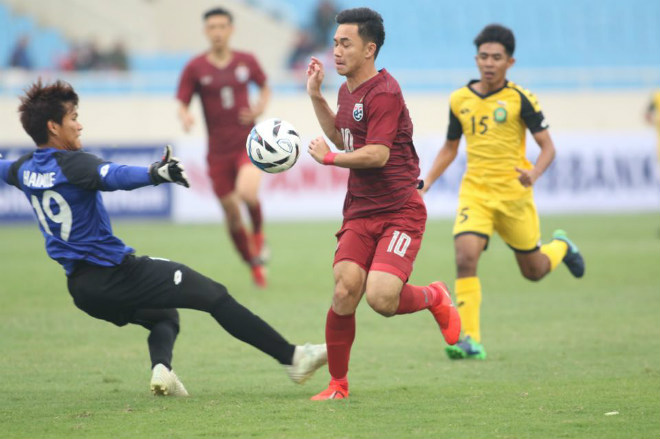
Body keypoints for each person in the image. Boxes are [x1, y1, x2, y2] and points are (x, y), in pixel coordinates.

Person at [0, 79, 327, 397]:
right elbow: (114, 176)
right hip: (115, 273)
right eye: (73, 118)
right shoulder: (74, 164)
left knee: (164, 316)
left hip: (82, 290)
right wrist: (154, 173)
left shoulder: (23, 168)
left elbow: (5, 167)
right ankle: (293, 358)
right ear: (53, 127)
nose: (79, 125)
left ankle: (162, 371)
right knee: (214, 296)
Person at [305, 7, 461, 400]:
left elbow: (377, 155)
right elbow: (343, 138)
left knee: (381, 298)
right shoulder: (346, 90)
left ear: (369, 49)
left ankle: (434, 296)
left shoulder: (385, 92)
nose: (336, 51)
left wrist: (329, 159)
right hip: (360, 210)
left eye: (346, 43)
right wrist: (316, 96)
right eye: (335, 43)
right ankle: (338, 385)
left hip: (399, 211)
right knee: (345, 290)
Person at [421, 24, 585, 361]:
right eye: (484, 56)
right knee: (465, 257)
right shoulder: (459, 99)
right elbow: (450, 148)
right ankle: (470, 340)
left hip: (513, 196)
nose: (489, 63)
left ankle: (561, 246)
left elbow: (548, 147)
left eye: (496, 57)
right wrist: (427, 181)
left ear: (510, 62)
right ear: (476, 59)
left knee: (534, 271)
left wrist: (534, 173)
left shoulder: (521, 99)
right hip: (476, 194)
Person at [176, 7, 271, 287]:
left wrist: (259, 108)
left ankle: (259, 235)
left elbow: (265, 87)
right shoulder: (195, 67)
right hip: (217, 152)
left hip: (247, 143)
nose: (217, 32)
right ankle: (253, 263)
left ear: (231, 30)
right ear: (206, 31)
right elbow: (182, 102)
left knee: (247, 192)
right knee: (232, 214)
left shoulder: (246, 60)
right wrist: (185, 116)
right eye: (212, 27)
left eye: (222, 26)